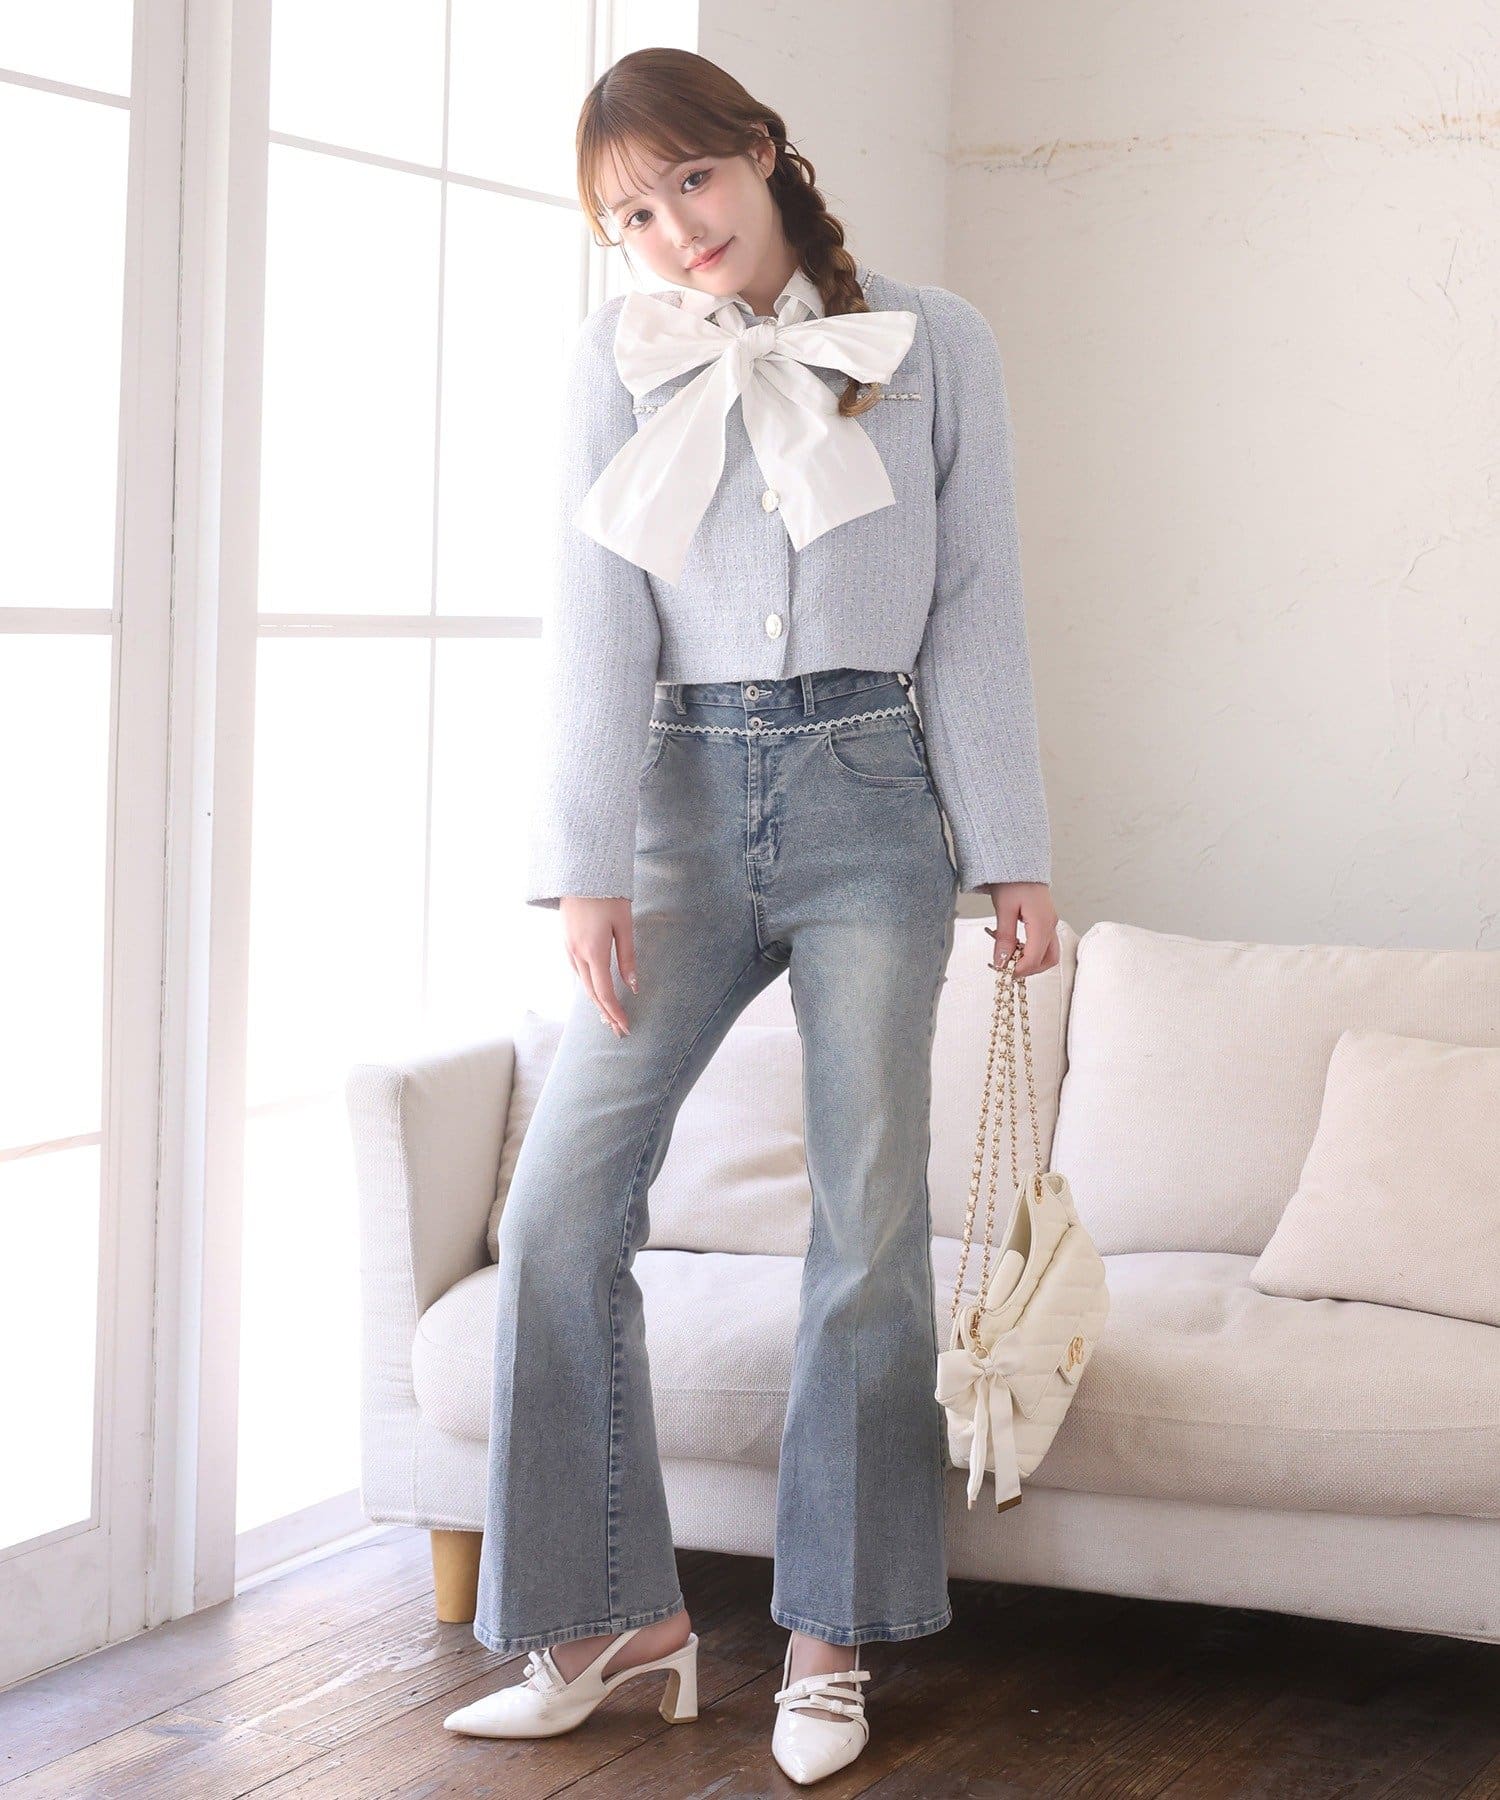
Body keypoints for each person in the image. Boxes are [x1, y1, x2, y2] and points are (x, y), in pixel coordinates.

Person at [442, 45, 1060, 1787]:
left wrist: (1012, 850)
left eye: (690, 184)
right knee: (559, 1214)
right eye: (631, 217)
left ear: (763, 153)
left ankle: (829, 1639)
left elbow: (977, 601)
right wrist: (586, 864)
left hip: (876, 797)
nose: (673, 232)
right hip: (679, 809)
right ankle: (610, 1621)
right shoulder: (618, 358)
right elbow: (595, 613)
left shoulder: (933, 340)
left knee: (868, 1233)